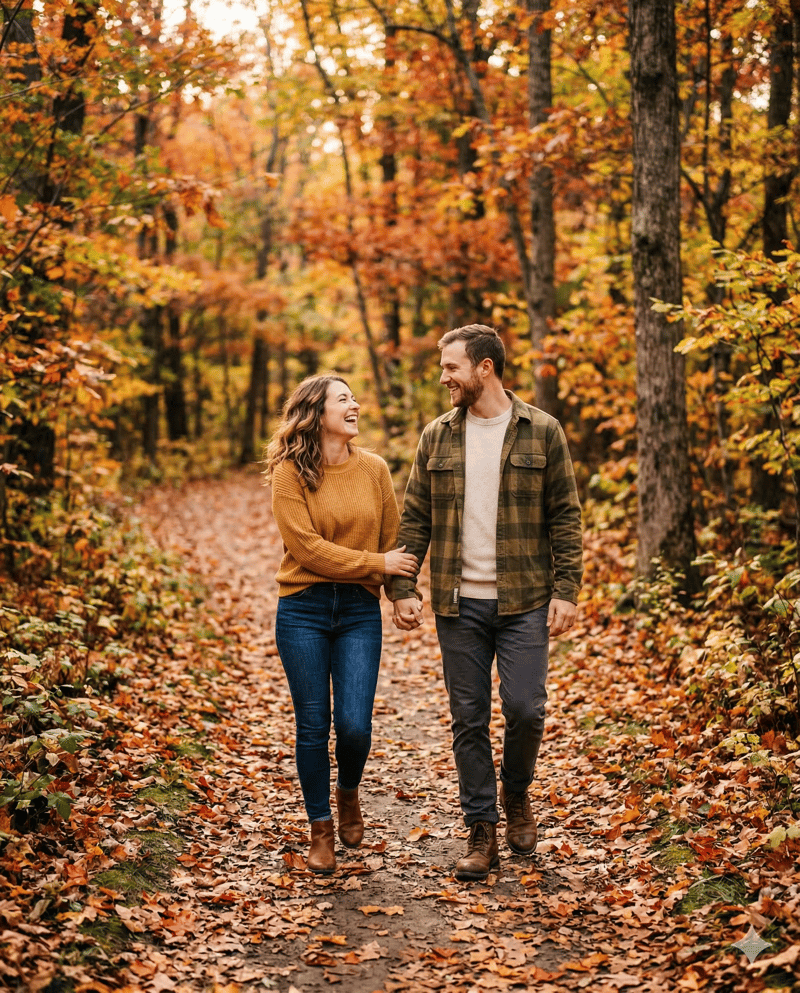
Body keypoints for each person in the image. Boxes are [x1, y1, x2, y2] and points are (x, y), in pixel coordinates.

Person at [388, 325, 583, 882]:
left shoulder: (542, 432)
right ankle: (482, 829)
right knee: (467, 720)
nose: (444, 377)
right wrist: (403, 589)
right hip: (458, 604)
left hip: (523, 600)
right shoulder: (436, 436)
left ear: (485, 368)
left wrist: (566, 591)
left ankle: (516, 793)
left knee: (527, 709)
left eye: (452, 367)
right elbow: (415, 518)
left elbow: (565, 517)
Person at [264, 374, 418, 875]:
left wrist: (402, 594)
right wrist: (377, 564)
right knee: (312, 725)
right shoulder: (290, 471)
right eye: (343, 399)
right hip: (303, 607)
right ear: (317, 412)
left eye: (354, 397)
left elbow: (394, 541)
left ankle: (348, 792)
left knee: (353, 725)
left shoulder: (374, 469)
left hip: (357, 611)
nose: (355, 405)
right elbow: (306, 549)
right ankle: (320, 827)